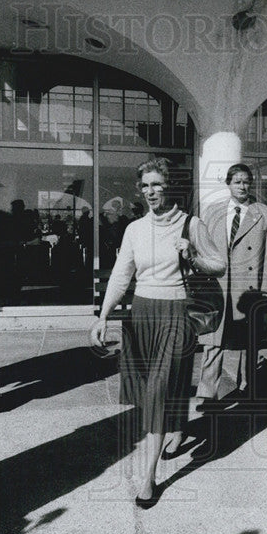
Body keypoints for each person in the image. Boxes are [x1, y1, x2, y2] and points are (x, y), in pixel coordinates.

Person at [91, 158, 225, 506]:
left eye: (157, 184)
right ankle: (176, 427)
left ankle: (147, 479)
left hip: (176, 313)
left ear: (170, 186)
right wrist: (103, 315)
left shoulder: (191, 224)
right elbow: (123, 274)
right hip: (141, 316)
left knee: (158, 392)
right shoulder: (134, 228)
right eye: (145, 185)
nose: (151, 191)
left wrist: (192, 254)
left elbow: (219, 265)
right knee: (160, 388)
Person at [196, 163, 267, 403]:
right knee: (213, 340)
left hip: (248, 290)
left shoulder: (265, 213)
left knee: (249, 342)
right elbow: (203, 248)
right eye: (237, 181)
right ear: (228, 184)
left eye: (246, 181)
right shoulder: (212, 211)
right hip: (218, 288)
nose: (242, 186)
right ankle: (206, 392)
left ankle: (247, 385)